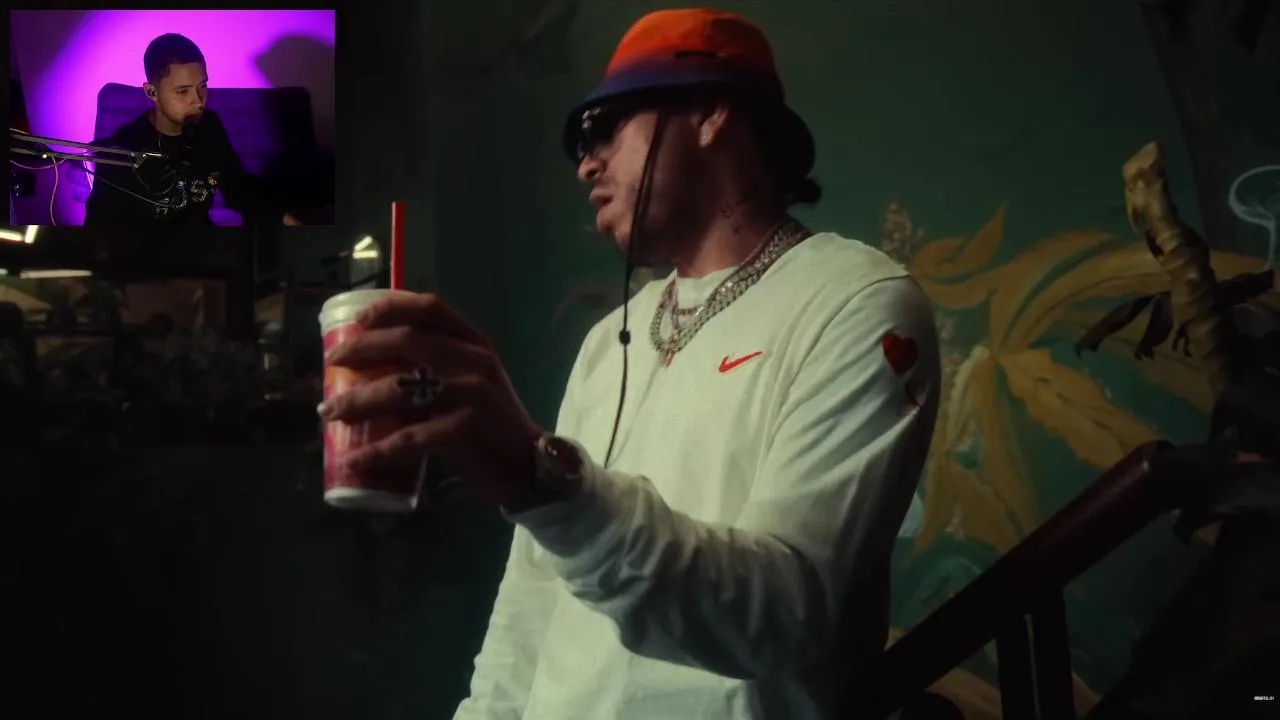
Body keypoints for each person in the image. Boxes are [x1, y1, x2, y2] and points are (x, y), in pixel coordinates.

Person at [318, 8, 941, 719]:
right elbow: (530, 605)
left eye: (603, 128)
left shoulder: (856, 303)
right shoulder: (606, 340)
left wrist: (544, 480)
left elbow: (784, 614)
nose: (586, 163)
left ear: (710, 113)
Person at [83, 33, 300, 227]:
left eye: (202, 86)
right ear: (152, 92)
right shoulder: (123, 151)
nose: (198, 101)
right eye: (182, 91)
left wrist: (282, 217)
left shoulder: (209, 125)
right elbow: (100, 229)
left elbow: (237, 187)